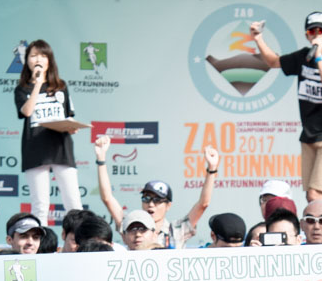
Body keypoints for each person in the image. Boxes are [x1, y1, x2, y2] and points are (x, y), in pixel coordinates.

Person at [250, 12, 322, 202]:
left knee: (316, 193)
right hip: (309, 134)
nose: (316, 34)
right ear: (307, 35)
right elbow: (273, 62)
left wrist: (320, 58)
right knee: (309, 195)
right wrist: (258, 38)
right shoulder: (304, 56)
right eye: (312, 31)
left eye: (321, 30)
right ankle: (319, 226)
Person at [94, 136, 219, 249]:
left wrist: (212, 169)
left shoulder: (176, 230)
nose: (151, 204)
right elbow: (107, 198)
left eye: (157, 200)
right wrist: (101, 158)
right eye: (146, 198)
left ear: (168, 205)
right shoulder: (130, 224)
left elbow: (203, 204)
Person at [16, 40, 83, 222]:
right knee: (40, 205)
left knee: (73, 203)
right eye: (33, 55)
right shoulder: (22, 89)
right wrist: (37, 84)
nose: (38, 59)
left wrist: (72, 126)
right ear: (28, 60)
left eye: (43, 55)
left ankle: (81, 246)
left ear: (49, 60)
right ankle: (42, 248)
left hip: (61, 148)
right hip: (35, 149)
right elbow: (27, 112)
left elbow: (68, 115)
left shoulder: (61, 86)